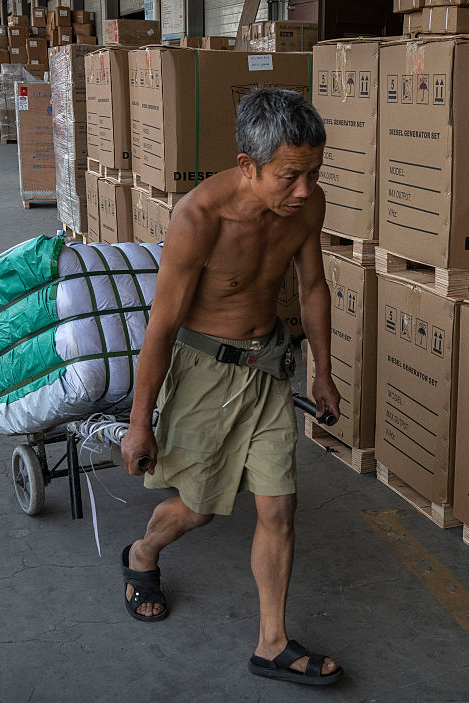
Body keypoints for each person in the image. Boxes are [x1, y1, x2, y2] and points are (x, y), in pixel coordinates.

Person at [119, 87, 343, 686]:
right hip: (204, 374)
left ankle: (272, 644)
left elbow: (313, 287)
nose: (305, 190)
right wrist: (140, 422)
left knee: (279, 507)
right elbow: (162, 326)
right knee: (198, 510)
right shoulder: (199, 219)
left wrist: (323, 370)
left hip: (269, 367)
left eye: (314, 173)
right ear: (248, 165)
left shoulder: (306, 205)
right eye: (290, 175)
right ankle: (143, 553)